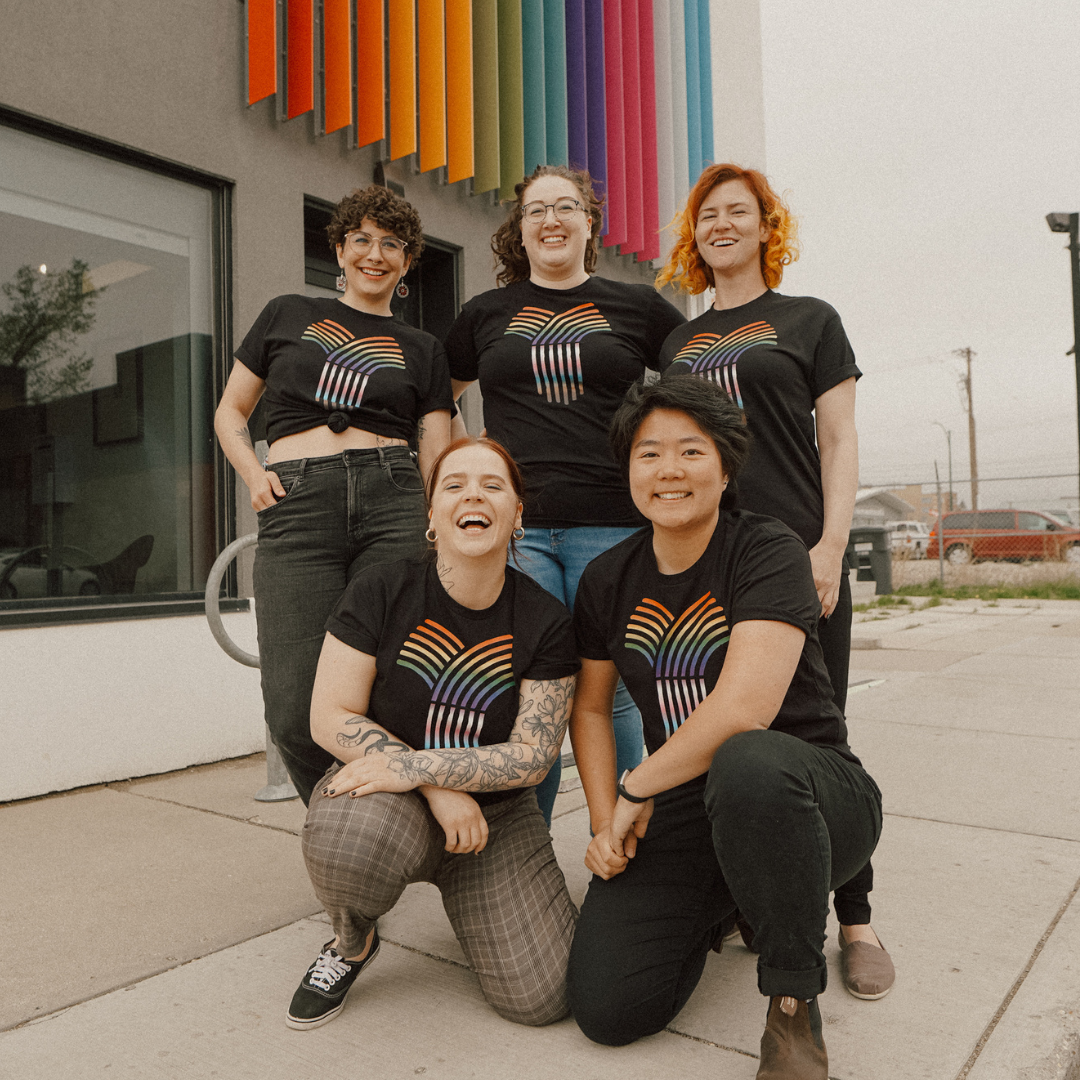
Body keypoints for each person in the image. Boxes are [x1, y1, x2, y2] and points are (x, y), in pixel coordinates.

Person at [566, 376, 882, 1078]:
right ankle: (737, 894)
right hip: (689, 806)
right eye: (649, 454)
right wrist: (602, 823)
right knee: (609, 1009)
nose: (669, 471)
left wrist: (637, 784)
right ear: (627, 470)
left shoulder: (766, 551)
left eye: (690, 451)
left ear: (726, 465)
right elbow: (590, 706)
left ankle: (794, 1002)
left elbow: (746, 709)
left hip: (814, 799)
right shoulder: (607, 579)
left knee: (748, 760)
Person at [656, 164, 893, 1000]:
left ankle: (856, 919)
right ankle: (749, 894)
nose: (722, 225)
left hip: (795, 557)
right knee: (721, 728)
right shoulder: (677, 344)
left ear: (766, 228)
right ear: (695, 235)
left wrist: (831, 544)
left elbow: (838, 439)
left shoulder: (809, 320)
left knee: (817, 732)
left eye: (738, 213)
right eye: (707, 215)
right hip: (707, 569)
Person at [287, 437, 579, 1031]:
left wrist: (422, 767)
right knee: (350, 843)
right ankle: (351, 943)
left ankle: (473, 890)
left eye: (493, 485)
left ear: (517, 514)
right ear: (431, 514)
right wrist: (435, 786)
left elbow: (533, 756)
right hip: (387, 797)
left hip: (495, 818)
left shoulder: (546, 620)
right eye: (455, 484)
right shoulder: (381, 589)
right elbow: (330, 715)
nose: (474, 493)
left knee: (544, 998)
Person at [444, 164, 687, 822]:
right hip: (519, 536)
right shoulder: (484, 315)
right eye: (535, 211)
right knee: (533, 695)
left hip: (615, 528)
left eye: (566, 207)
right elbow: (436, 401)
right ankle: (530, 865)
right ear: (519, 232)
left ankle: (633, 850)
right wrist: (464, 475)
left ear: (589, 223)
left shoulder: (636, 306)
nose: (551, 220)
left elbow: (700, 386)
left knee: (619, 696)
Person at [214, 185, 452, 805]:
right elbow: (230, 414)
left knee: (390, 688)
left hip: (394, 502)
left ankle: (379, 842)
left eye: (392, 244)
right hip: (297, 504)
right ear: (340, 250)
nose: (376, 254)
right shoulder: (286, 313)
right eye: (363, 240)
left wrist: (442, 521)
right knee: (292, 707)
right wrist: (251, 471)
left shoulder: (423, 349)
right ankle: (339, 829)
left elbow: (437, 451)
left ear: (406, 262)